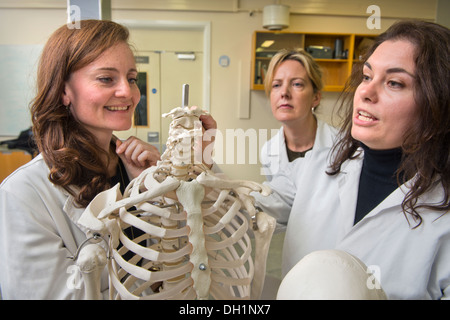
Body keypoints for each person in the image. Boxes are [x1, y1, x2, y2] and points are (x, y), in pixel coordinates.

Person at [278, 20, 449, 299]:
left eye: (394, 82)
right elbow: (253, 209)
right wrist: (200, 161)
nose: (365, 92)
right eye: (367, 77)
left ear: (438, 103)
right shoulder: (317, 166)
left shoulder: (443, 217)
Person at [0, 20, 162, 299]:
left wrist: (153, 190)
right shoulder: (24, 193)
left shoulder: (138, 169)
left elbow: (176, 264)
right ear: (64, 91)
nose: (128, 92)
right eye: (106, 79)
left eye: (132, 78)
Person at [253, 49, 337, 225]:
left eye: (297, 84)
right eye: (276, 85)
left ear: (316, 97)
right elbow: (282, 204)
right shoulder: (268, 151)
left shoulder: (342, 146)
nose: (284, 93)